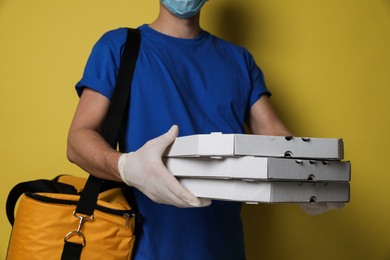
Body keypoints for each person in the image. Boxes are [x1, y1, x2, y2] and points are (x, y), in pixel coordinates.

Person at [67, 0, 343, 259]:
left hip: (225, 247)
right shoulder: (119, 46)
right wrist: (126, 166)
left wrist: (310, 177)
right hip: (143, 248)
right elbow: (78, 140)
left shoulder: (239, 60)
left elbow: (273, 132)